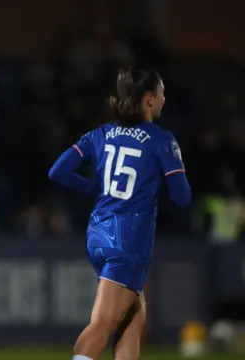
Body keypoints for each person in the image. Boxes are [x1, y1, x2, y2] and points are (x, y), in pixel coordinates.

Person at [48, 67, 192, 360]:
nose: (165, 98)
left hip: (98, 235)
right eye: (162, 92)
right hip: (129, 240)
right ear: (149, 99)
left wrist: (94, 189)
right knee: (103, 324)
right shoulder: (161, 139)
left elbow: (58, 171)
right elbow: (182, 197)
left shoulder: (100, 134)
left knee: (134, 316)